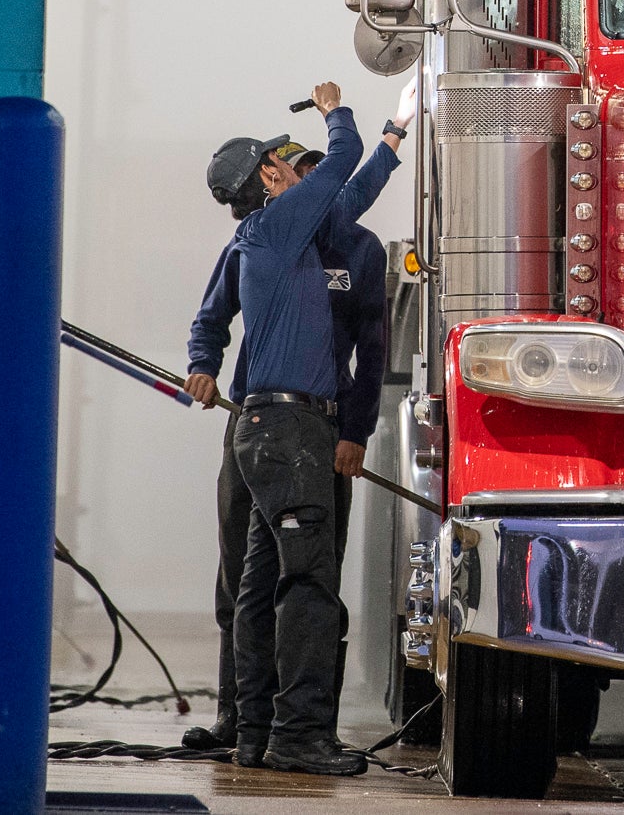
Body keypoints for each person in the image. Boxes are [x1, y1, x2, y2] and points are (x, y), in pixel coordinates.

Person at [182, 79, 414, 774]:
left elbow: (351, 189)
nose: (296, 173)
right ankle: (296, 735)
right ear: (270, 178)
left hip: (281, 430)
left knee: (260, 582)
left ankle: (254, 731)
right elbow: (342, 166)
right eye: (284, 167)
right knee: (306, 584)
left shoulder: (311, 238)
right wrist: (336, 108)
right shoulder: (282, 227)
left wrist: (394, 138)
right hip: (285, 427)